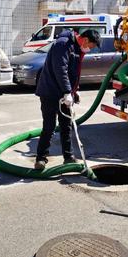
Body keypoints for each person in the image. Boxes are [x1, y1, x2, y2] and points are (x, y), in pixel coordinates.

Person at [34, 29, 101, 170]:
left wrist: (74, 91)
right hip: (50, 92)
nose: (90, 49)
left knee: (67, 126)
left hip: (64, 94)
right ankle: (40, 158)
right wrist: (66, 92)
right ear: (86, 40)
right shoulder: (63, 44)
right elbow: (61, 69)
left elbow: (73, 72)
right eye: (91, 46)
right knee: (49, 127)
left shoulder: (76, 48)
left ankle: (68, 157)